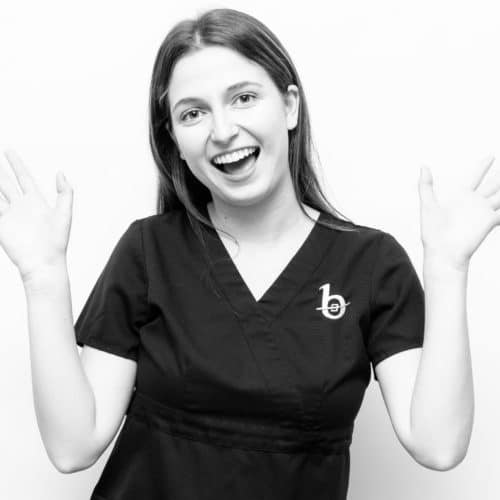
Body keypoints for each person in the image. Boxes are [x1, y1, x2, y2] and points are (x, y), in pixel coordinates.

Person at [0, 7, 498, 500]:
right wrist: (42, 278)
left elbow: (439, 445)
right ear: (174, 137)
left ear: (289, 106)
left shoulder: (371, 265)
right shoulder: (148, 251)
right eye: (193, 112)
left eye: (242, 98)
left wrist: (449, 267)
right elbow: (72, 447)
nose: (222, 130)